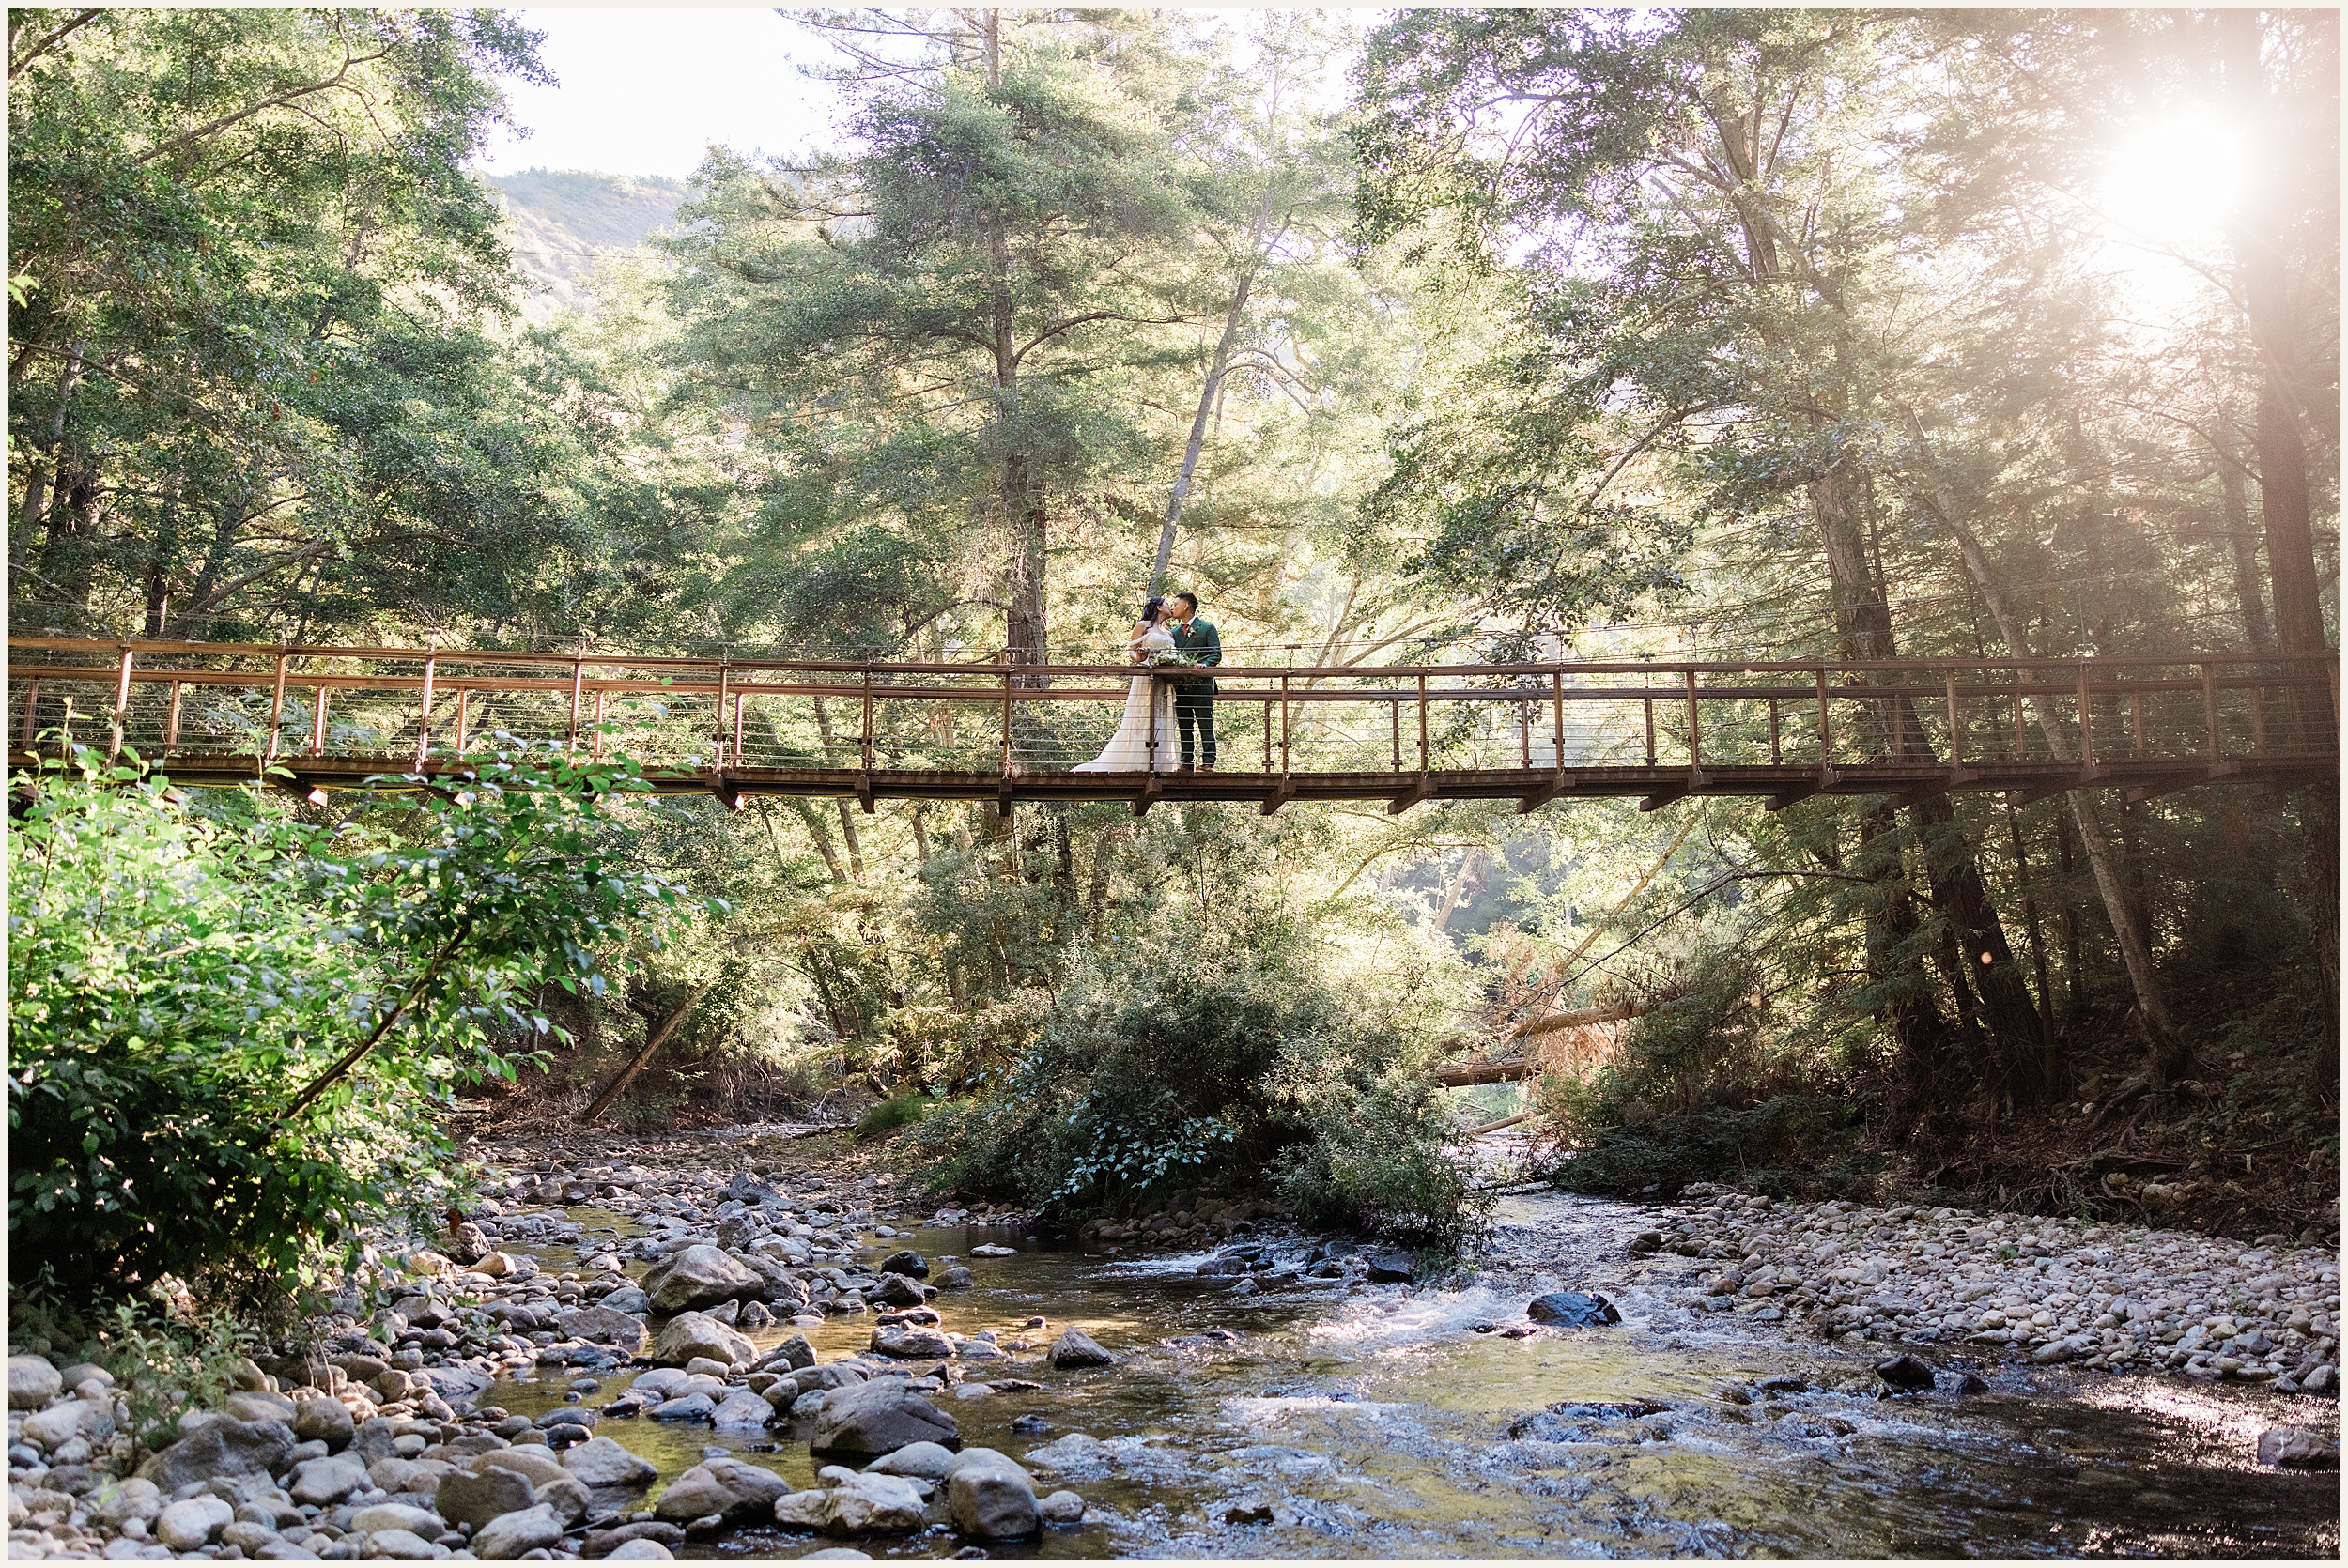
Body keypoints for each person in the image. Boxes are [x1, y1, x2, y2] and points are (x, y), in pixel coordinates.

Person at [1073, 596, 1179, 773]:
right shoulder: (1143, 626)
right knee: (1142, 713)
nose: (1171, 608)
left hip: (1162, 679)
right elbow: (1131, 649)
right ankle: (1138, 761)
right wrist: (1139, 658)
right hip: (1145, 674)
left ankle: (1158, 762)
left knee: (1159, 715)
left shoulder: (1169, 633)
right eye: (1168, 605)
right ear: (1159, 607)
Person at [1168, 591, 1221, 772]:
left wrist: (1204, 664)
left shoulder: (1207, 628)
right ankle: (1186, 762)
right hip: (1181, 685)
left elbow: (1216, 653)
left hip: (1202, 685)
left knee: (1205, 722)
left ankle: (1208, 762)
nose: (1173, 607)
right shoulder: (1173, 632)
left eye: (1175, 604)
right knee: (1184, 723)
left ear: (1186, 606)